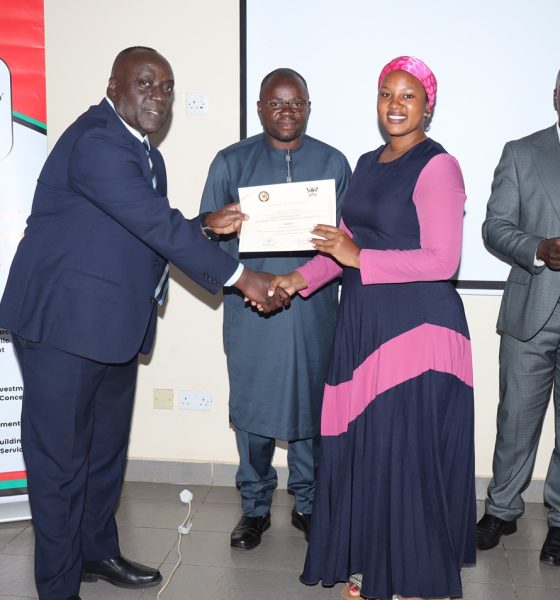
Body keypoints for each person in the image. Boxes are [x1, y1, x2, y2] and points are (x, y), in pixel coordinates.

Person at [0, 47, 287, 600]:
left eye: (168, 87)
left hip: (112, 325)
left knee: (105, 454)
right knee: (60, 464)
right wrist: (241, 277)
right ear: (114, 86)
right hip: (62, 327)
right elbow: (154, 223)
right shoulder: (98, 140)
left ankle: (96, 551)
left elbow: (141, 228)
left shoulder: (145, 153)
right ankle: (58, 587)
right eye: (146, 83)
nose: (159, 95)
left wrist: (203, 225)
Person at [269, 56, 476, 600]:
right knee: (370, 453)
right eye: (387, 93)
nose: (395, 105)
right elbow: (341, 246)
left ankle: (414, 579)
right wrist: (295, 278)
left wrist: (358, 256)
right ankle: (374, 565)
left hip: (417, 332)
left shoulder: (439, 166)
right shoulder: (365, 162)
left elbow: (442, 261)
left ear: (428, 106)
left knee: (404, 456)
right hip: (365, 327)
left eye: (408, 95)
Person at [199, 68, 351, 550]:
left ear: (308, 108)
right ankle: (255, 507)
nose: (287, 111)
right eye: (277, 103)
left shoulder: (333, 162)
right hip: (250, 307)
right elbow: (206, 242)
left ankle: (308, 502)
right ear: (260, 108)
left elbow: (349, 242)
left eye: (296, 103)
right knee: (254, 405)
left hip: (313, 307)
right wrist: (244, 279)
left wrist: (301, 280)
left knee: (311, 404)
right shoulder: (231, 161)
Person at [477, 69, 560, 566]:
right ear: (555, 95)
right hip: (531, 311)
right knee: (515, 419)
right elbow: (495, 226)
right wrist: (538, 248)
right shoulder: (521, 152)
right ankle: (502, 510)